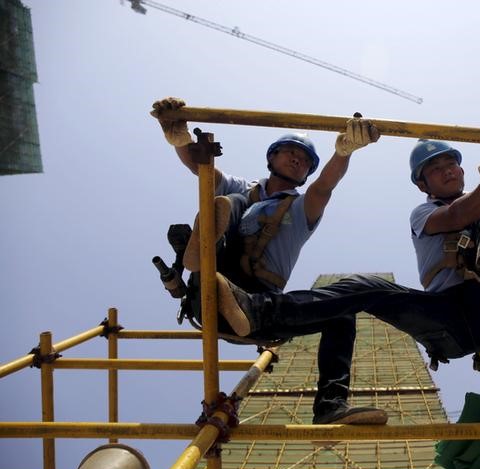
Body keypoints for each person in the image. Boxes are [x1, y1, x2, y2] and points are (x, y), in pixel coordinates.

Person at [197, 104, 480, 386]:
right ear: (422, 184)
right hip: (445, 320)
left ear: (464, 171)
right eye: (436, 168)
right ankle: (259, 312)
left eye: (452, 164)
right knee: (361, 289)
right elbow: (456, 217)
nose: (448, 170)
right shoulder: (424, 212)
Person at [151, 97, 386, 425]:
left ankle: (330, 407)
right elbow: (200, 166)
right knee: (225, 200)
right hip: (207, 288)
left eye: (305, 160)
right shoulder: (243, 189)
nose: (298, 159)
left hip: (259, 308)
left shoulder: (301, 209)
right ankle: (204, 260)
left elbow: (325, 188)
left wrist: (343, 152)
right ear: (271, 158)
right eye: (291, 152)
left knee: (342, 314)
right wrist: (181, 139)